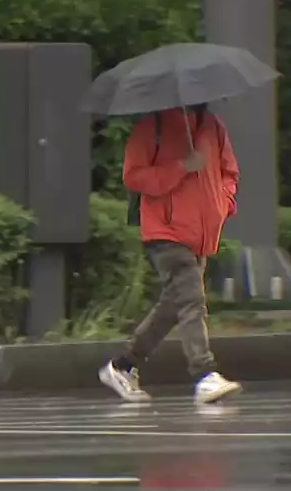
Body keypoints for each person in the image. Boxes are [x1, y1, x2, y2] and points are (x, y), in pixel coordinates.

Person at [99, 103, 243, 405]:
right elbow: (134, 177)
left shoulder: (211, 125)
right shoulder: (153, 126)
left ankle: (123, 366)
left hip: (200, 235)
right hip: (166, 231)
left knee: (171, 307)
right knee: (192, 300)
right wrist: (181, 168)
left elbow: (230, 171)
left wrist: (224, 202)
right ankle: (204, 374)